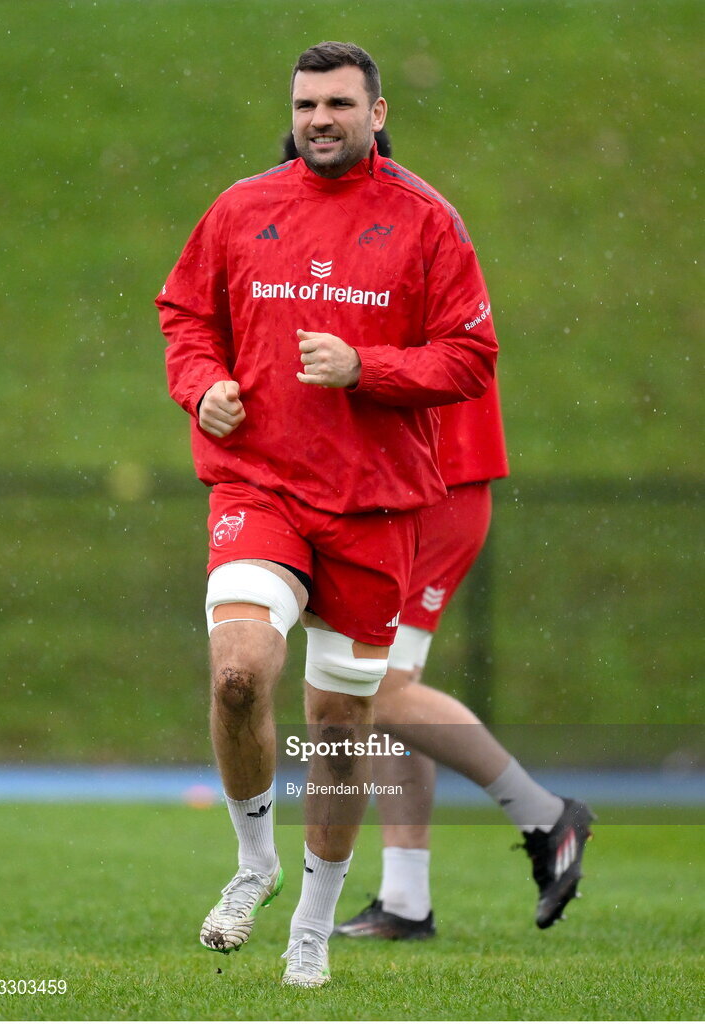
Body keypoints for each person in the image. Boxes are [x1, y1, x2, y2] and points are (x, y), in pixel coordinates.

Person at [156, 41, 499, 987]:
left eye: (340, 104)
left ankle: (312, 922)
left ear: (377, 113)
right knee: (238, 674)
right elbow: (186, 316)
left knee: (340, 730)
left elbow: (470, 360)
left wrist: (365, 368)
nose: (320, 119)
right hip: (259, 487)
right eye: (307, 104)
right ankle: (253, 864)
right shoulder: (241, 207)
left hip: (374, 505)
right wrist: (202, 386)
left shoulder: (427, 221)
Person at [280, 128, 596, 939]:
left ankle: (544, 815)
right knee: (381, 686)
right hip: (403, 489)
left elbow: (452, 359)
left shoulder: (406, 228)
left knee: (377, 691)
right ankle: (407, 899)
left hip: (435, 488)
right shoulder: (378, 227)